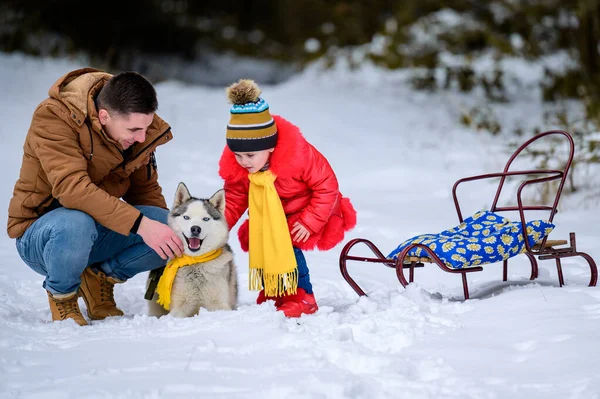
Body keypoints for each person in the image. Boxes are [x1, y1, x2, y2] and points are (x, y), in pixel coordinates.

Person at [7, 68, 184, 326]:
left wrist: (163, 247)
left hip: (96, 229)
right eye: (134, 129)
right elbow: (72, 189)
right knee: (76, 222)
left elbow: (145, 194)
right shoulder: (54, 117)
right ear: (104, 116)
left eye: (145, 128)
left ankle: (98, 277)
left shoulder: (137, 130)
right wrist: (142, 226)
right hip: (44, 236)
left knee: (170, 228)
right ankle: (63, 296)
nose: (142, 137)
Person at [218, 79, 357, 318]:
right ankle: (274, 290)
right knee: (262, 241)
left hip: (308, 213)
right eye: (238, 155)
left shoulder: (299, 156)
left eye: (250, 154)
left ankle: (303, 296)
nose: (244, 162)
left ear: (270, 147)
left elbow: (327, 187)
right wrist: (219, 227)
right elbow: (234, 198)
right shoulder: (242, 168)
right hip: (269, 218)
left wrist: (309, 221)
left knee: (288, 246)